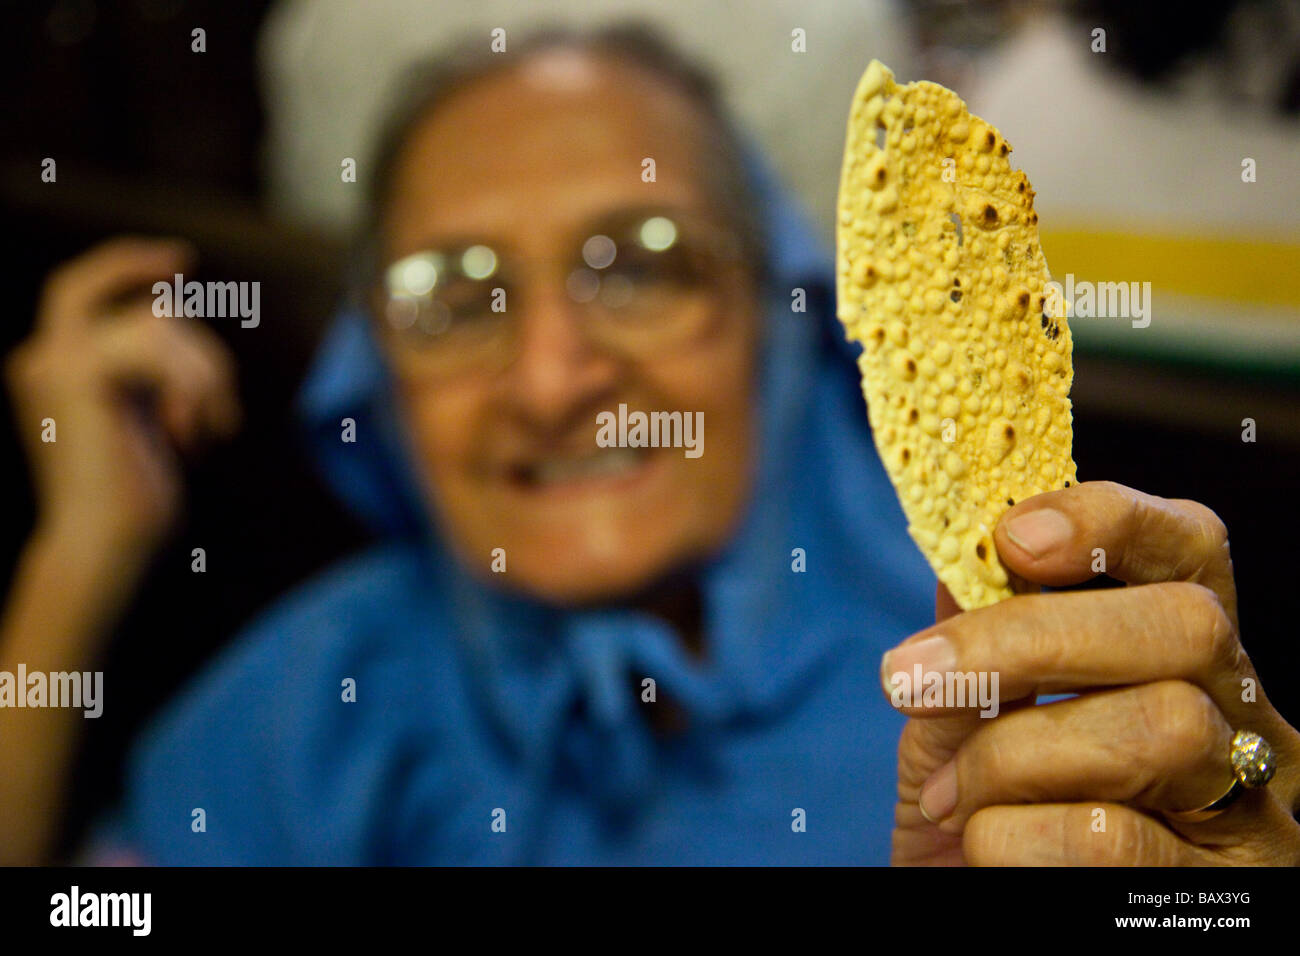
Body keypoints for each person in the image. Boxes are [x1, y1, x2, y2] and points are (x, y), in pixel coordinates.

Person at [3, 24, 1297, 865]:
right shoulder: (303, 704)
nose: (554, 375)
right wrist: (68, 576)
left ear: (776, 318)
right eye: (453, 298)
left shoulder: (1050, 691)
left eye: (641, 265)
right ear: (374, 375)